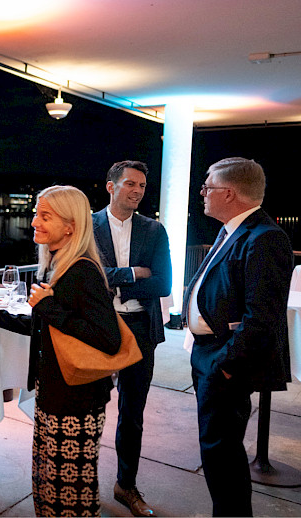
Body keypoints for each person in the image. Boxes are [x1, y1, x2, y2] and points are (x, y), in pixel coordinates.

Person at [0, 184, 122, 517]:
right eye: (37, 213)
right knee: (48, 486)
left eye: (45, 216)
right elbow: (43, 327)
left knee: (70, 496)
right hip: (54, 393)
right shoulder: (57, 266)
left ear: (70, 226)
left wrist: (49, 306)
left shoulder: (82, 271)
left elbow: (108, 338)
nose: (35, 222)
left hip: (76, 401)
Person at [183, 157, 292, 516]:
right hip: (208, 353)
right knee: (217, 452)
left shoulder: (265, 238)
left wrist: (226, 366)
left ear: (228, 193)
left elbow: (262, 319)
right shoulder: (233, 229)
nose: (202, 193)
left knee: (223, 456)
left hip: (224, 361)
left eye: (208, 187)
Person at [92, 160, 171, 517]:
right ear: (111, 186)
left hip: (140, 329)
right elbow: (86, 276)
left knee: (132, 413)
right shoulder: (88, 225)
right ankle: (83, 481)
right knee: (89, 409)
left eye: (141, 185)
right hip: (98, 328)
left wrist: (116, 282)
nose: (137, 191)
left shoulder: (154, 230)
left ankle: (126, 485)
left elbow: (163, 283)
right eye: (130, 184)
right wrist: (132, 273)